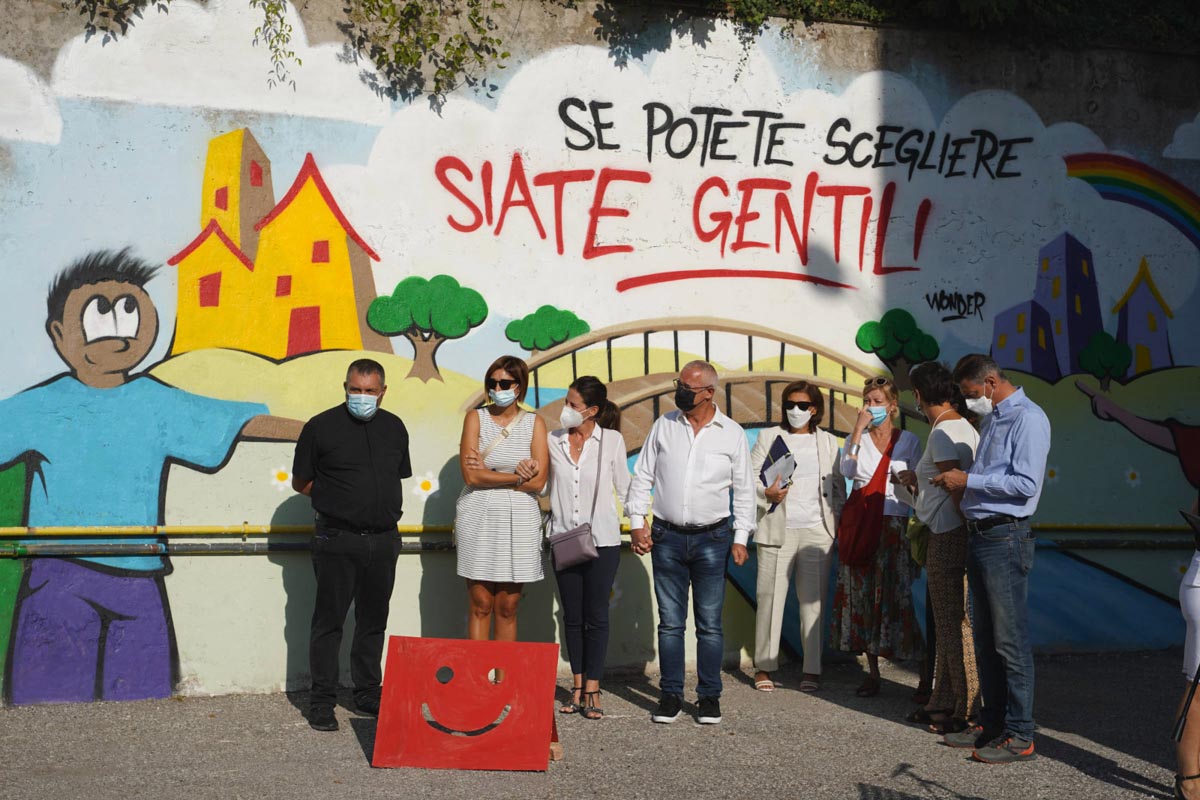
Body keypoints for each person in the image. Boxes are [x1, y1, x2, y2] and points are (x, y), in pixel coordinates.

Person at [0, 249, 301, 706]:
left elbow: (239, 423)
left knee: (143, 698)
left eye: (130, 313)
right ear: (59, 334)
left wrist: (325, 430)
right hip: (58, 571)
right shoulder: (38, 407)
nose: (118, 332)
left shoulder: (158, 403)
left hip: (139, 575)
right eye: (100, 315)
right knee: (49, 698)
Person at [933, 354, 1050, 764]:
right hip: (981, 535)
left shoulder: (1028, 419)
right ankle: (992, 724)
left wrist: (969, 480)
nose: (968, 404)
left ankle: (1021, 734)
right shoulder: (996, 417)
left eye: (969, 395)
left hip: (1006, 536)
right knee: (984, 637)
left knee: (1010, 640)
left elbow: (1025, 484)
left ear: (990, 381)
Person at [626, 360, 755, 725]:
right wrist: (637, 523)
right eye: (678, 384)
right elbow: (643, 476)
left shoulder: (731, 433)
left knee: (710, 623)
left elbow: (744, 490)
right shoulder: (664, 426)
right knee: (670, 623)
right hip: (666, 535)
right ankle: (670, 695)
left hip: (713, 538)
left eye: (687, 387)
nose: (679, 391)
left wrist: (741, 537)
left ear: (709, 392)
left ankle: (709, 697)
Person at [292, 358, 412, 732]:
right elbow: (302, 482)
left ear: (383, 392)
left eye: (370, 391)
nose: (362, 397)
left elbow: (397, 475)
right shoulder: (320, 427)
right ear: (344, 388)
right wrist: (336, 502)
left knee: (373, 621)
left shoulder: (394, 428)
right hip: (336, 539)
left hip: (384, 539)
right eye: (355, 390)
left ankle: (366, 693)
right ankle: (323, 701)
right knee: (329, 623)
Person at [892, 362, 980, 733]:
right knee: (950, 622)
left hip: (948, 533)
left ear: (918, 395)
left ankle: (968, 708)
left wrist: (967, 530)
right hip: (954, 530)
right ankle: (943, 701)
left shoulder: (943, 433)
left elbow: (955, 488)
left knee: (951, 623)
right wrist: (919, 481)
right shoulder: (963, 426)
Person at [748, 380, 845, 694]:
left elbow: (839, 486)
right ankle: (764, 666)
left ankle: (812, 670)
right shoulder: (769, 436)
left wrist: (839, 526)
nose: (795, 411)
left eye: (802, 405)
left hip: (818, 530)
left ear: (814, 409)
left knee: (813, 605)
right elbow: (747, 478)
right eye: (790, 404)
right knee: (769, 599)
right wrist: (766, 491)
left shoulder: (829, 442)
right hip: (778, 529)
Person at [831, 375, 924, 698]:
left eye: (877, 402)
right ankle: (871, 673)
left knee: (896, 596)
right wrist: (857, 429)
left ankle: (921, 670)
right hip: (861, 522)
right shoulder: (854, 439)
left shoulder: (909, 441)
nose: (871, 407)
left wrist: (909, 480)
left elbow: (915, 487)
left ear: (893, 406)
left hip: (893, 523)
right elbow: (847, 470)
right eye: (867, 401)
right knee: (864, 595)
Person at [546, 376, 631, 720]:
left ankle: (593, 687)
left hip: (603, 540)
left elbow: (624, 487)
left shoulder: (611, 440)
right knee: (572, 615)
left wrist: (640, 525)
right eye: (565, 402)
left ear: (592, 410)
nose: (565, 410)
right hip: (563, 538)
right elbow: (540, 482)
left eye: (572, 404)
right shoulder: (553, 441)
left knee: (596, 616)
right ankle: (577, 686)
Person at [457, 356, 550, 664]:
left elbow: (539, 482)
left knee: (507, 606)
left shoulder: (534, 422)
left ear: (519, 386)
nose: (497, 388)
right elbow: (471, 475)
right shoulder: (475, 418)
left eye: (505, 383)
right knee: (480, 602)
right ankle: (478, 677)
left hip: (520, 519)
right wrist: (515, 476)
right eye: (492, 383)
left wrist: (491, 474)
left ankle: (501, 677)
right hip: (479, 515)